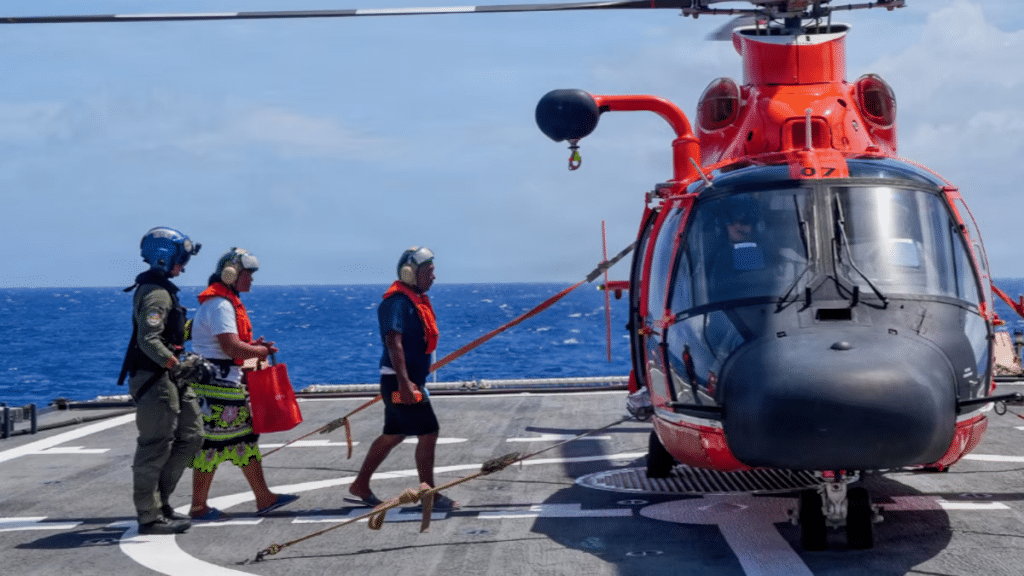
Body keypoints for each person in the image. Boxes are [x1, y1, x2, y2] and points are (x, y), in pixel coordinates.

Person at [187, 248, 299, 519]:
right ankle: (200, 506)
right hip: (219, 388)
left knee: (239, 442)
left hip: (218, 385)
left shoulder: (219, 302)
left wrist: (252, 347)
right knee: (216, 445)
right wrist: (258, 352)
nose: (251, 280)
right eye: (247, 274)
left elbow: (230, 345)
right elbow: (230, 347)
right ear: (231, 274)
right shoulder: (221, 305)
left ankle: (262, 497)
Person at [346, 246, 457, 510]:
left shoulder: (412, 300)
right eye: (428, 272)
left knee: (394, 434)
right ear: (410, 273)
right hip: (400, 382)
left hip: (404, 381)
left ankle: (360, 484)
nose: (434, 277)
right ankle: (428, 494)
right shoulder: (397, 303)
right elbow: (393, 343)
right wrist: (405, 383)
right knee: (428, 432)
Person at [119, 226, 204, 535]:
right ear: (165, 259)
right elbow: (149, 339)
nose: (183, 266)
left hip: (171, 378)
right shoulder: (155, 293)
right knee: (154, 446)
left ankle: (161, 503)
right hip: (155, 379)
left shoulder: (163, 290)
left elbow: (167, 335)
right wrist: (176, 363)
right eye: (181, 260)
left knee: (192, 436)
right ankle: (149, 515)